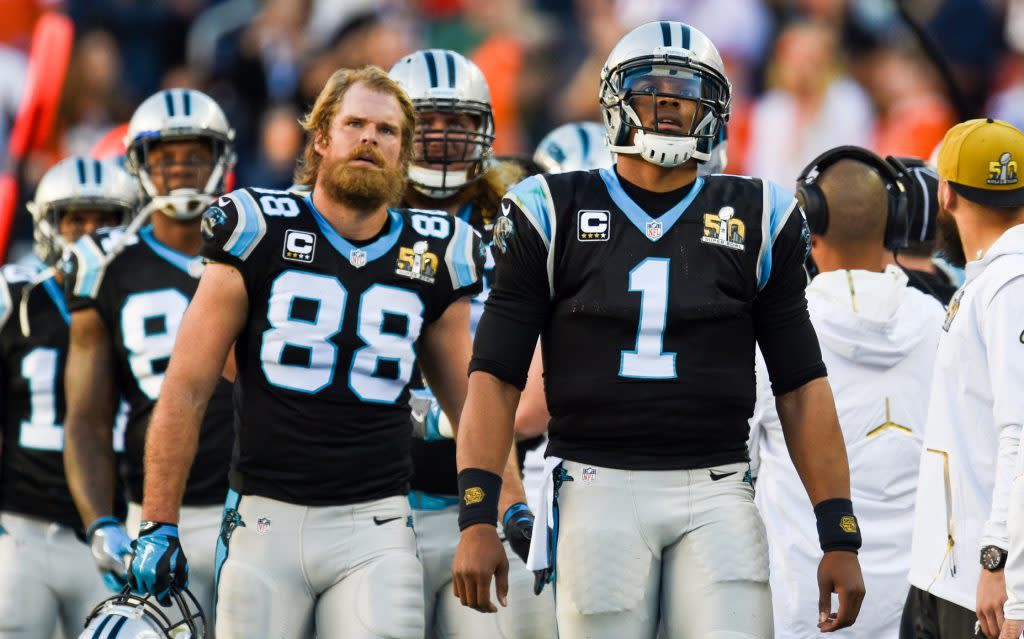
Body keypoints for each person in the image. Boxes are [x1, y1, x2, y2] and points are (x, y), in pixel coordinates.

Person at [451, 21, 865, 639]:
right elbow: (495, 377)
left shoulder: (760, 213)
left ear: (715, 109)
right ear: (616, 98)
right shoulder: (550, 208)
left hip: (718, 485)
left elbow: (801, 386)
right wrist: (478, 513)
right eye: (651, 90)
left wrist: (839, 531)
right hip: (596, 483)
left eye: (685, 93)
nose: (669, 105)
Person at [128, 66, 483, 639]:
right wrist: (157, 523)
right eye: (355, 124)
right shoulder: (257, 227)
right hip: (265, 517)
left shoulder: (436, 249)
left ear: (403, 151)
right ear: (321, 137)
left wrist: (492, 509)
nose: (370, 138)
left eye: (387, 131)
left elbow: (473, 404)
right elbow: (188, 386)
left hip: (377, 522)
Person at [390, 48, 557, 639]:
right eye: (426, 121)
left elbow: (545, 375)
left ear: (484, 128)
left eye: (458, 121)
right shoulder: (356, 218)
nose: (440, 138)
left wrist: (447, 419)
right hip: (378, 500)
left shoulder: (521, 221)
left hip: (496, 491)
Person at [750, 149, 944, 639]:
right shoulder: (943, 325)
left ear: (806, 232)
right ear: (895, 225)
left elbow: (735, 477)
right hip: (919, 610)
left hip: (804, 608)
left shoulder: (772, 335)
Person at [63, 88, 237, 622]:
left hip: (253, 511)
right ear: (139, 166)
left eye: (194, 155)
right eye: (164, 158)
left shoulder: (257, 245)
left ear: (220, 161)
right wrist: (102, 523)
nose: (180, 170)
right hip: (153, 515)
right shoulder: (106, 266)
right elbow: (87, 420)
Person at [0, 156, 138, 637]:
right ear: (47, 224)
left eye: (106, 219)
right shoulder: (16, 297)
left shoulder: (145, 299)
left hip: (115, 529)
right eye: (76, 218)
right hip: (21, 528)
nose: (90, 232)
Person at [904, 118, 1024, 639]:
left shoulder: (1010, 283)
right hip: (944, 573)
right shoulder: (992, 278)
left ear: (946, 193)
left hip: (983, 584)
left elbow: (1021, 431)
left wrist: (1003, 569)